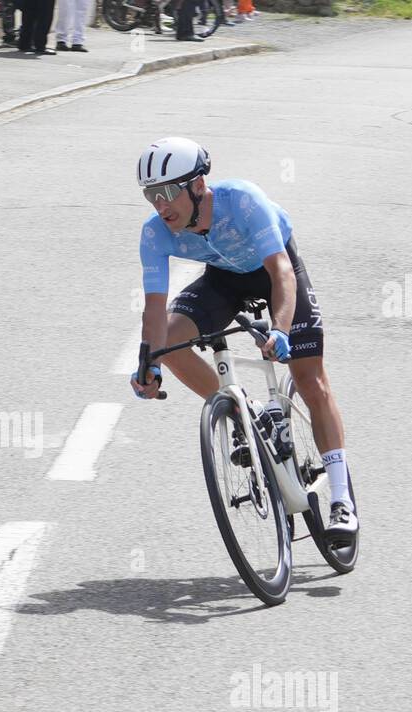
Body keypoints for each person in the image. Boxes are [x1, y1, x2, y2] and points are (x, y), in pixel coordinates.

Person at [132, 137, 358, 542]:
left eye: (167, 193)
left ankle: (342, 499)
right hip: (223, 280)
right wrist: (147, 363)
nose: (160, 205)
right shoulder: (155, 234)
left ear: (198, 186)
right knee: (168, 342)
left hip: (275, 269)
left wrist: (281, 330)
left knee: (310, 380)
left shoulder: (243, 201)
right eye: (151, 195)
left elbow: (281, 273)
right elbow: (153, 307)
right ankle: (247, 413)